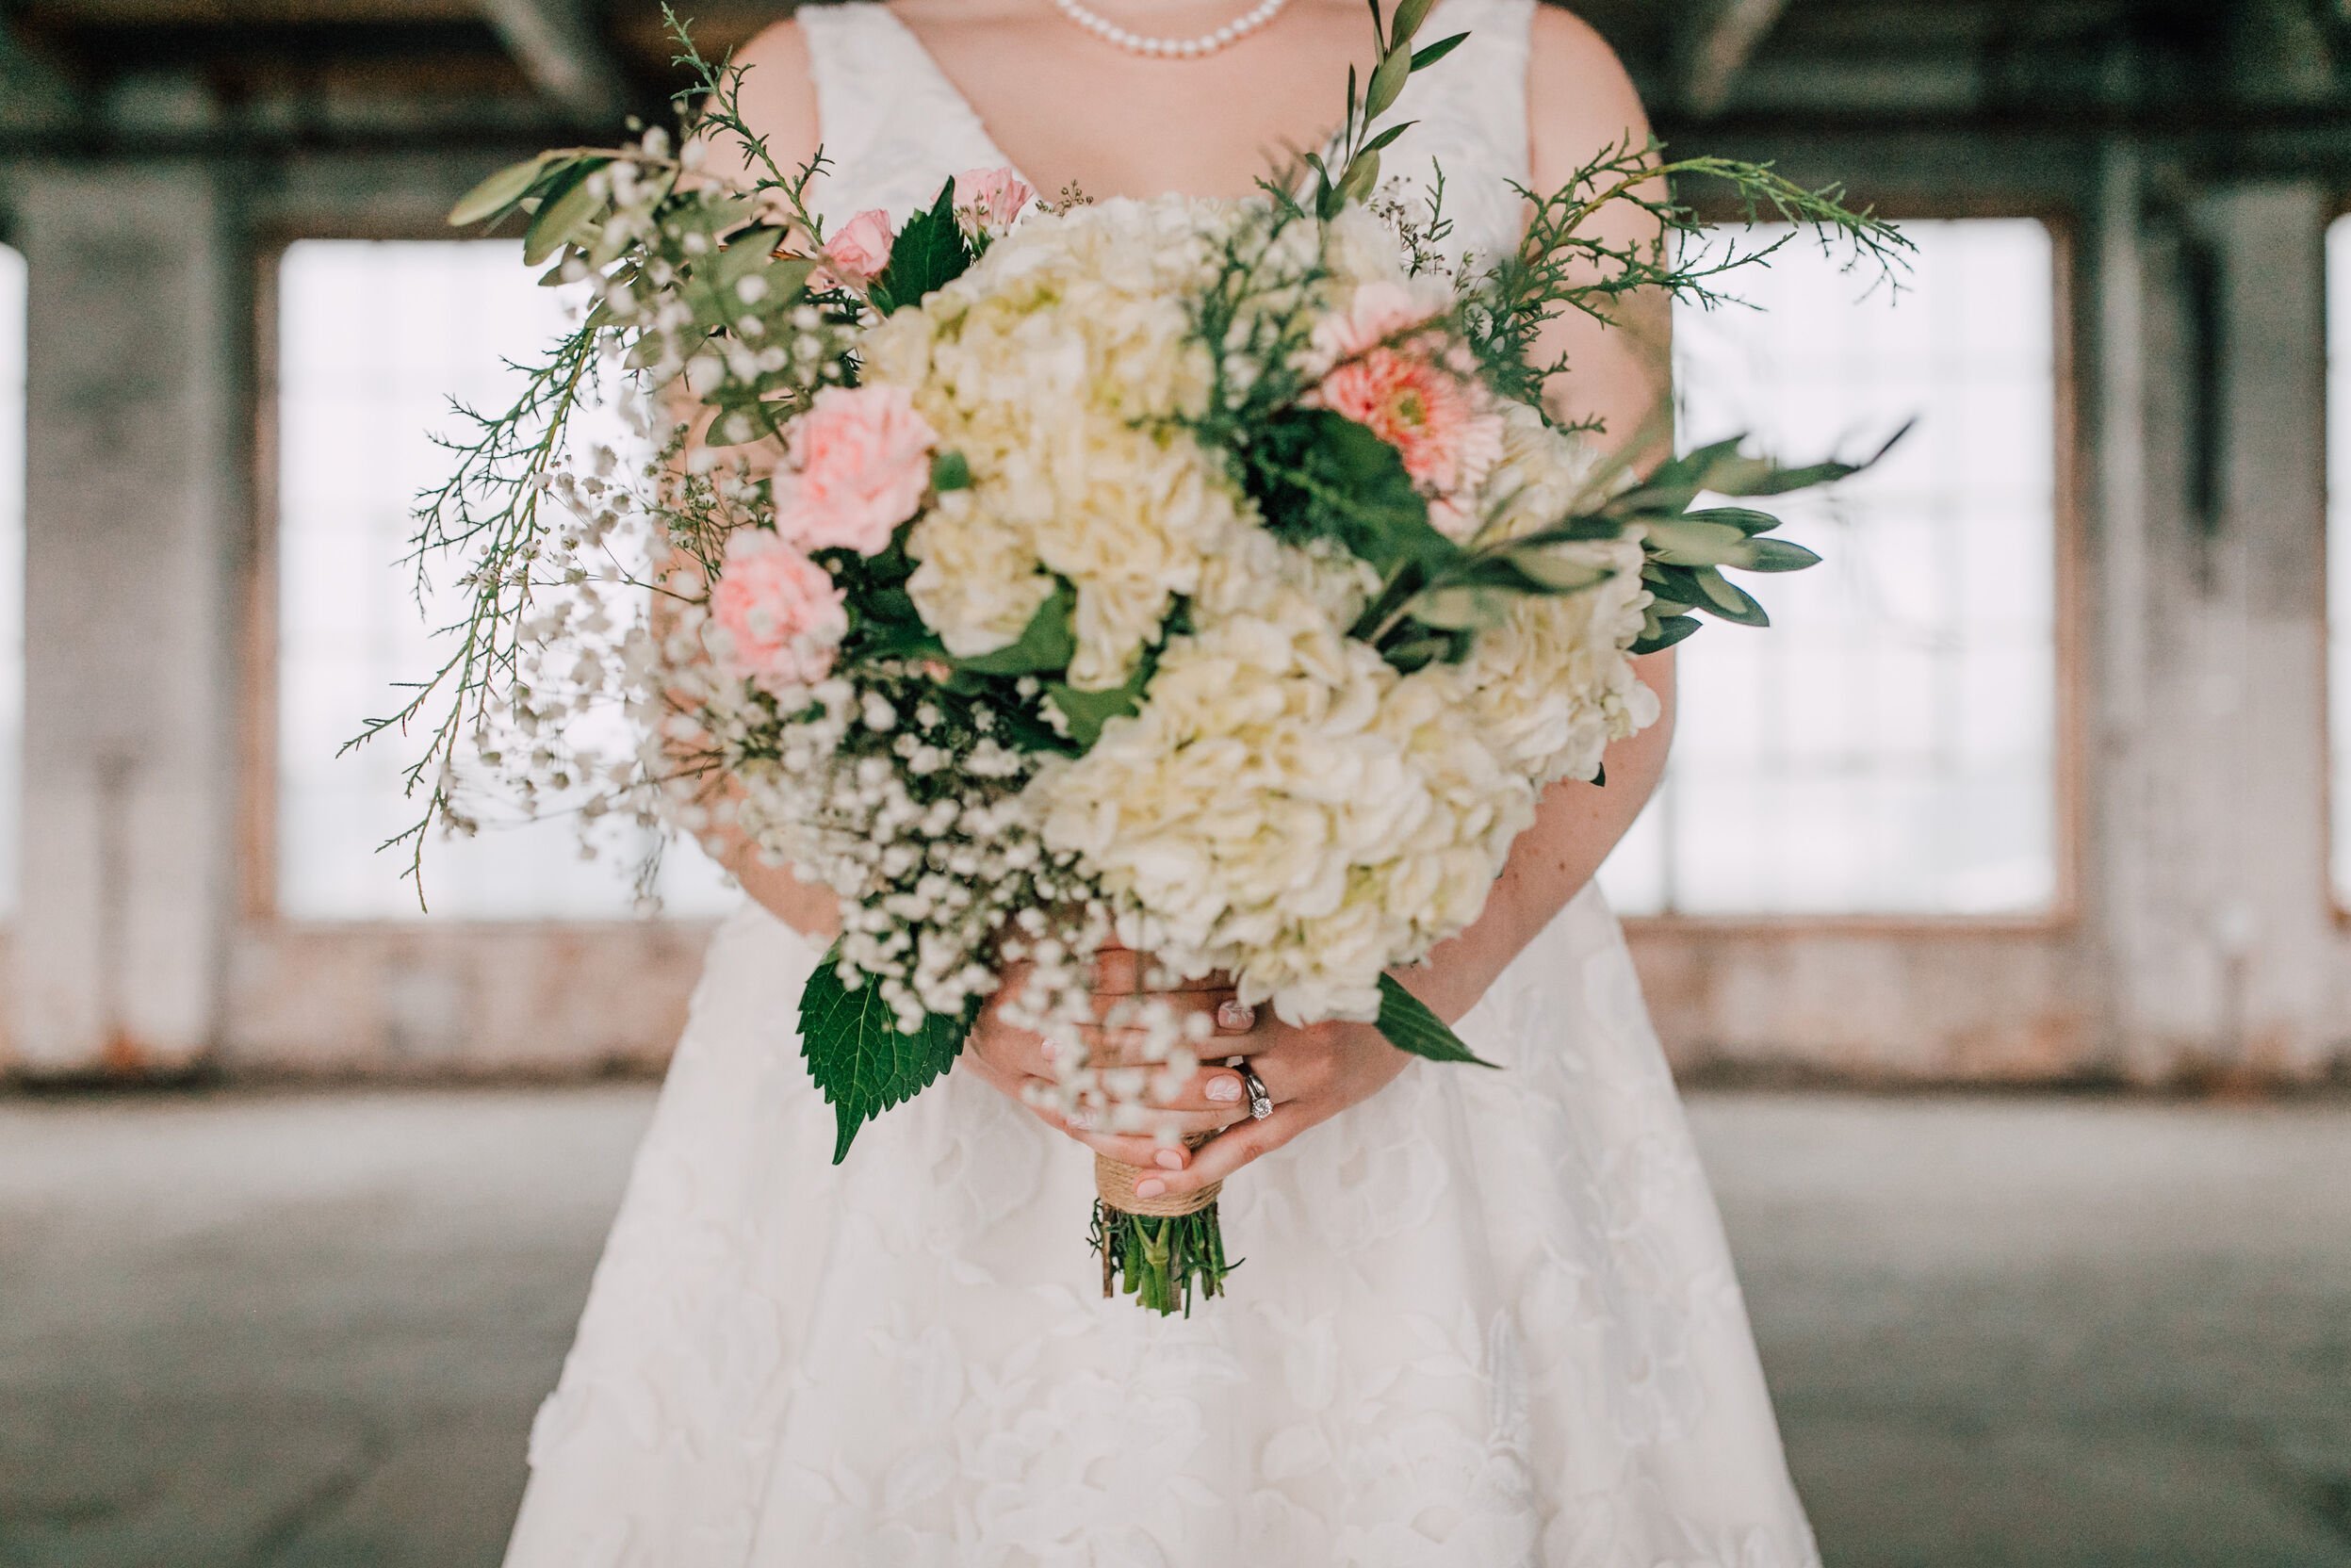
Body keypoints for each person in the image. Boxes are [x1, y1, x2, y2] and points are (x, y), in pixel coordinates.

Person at [504, 1, 1820, 1561]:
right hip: (950, 1066)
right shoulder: (797, 85)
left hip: (1429, 1022)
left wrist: (1399, 1006)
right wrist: (967, 989)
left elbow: (1629, 648)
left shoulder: (1542, 72)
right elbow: (709, 664)